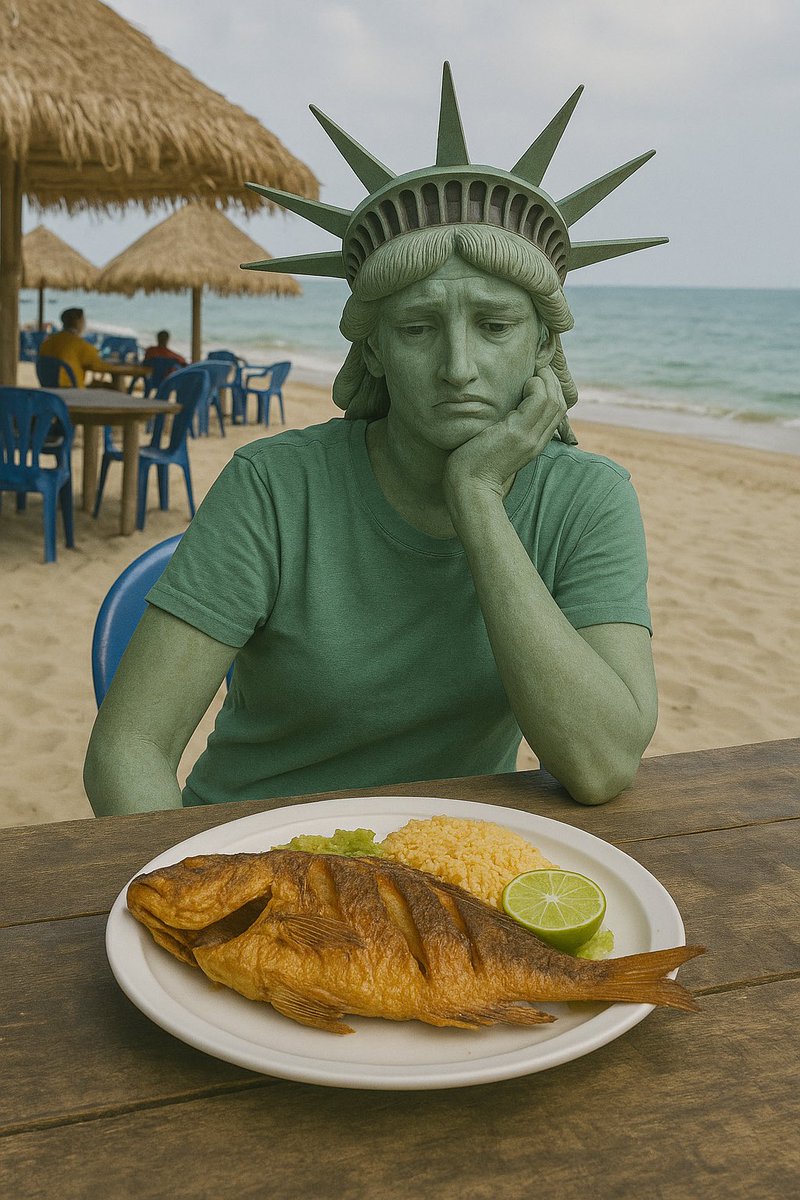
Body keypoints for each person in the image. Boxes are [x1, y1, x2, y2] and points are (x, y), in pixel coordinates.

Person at [84, 66, 664, 818]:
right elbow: (128, 748)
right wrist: (189, 890)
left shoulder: (588, 498)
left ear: (543, 348)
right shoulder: (275, 487)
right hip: (254, 855)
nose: (459, 367)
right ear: (376, 349)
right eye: (418, 328)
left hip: (445, 863)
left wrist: (478, 500)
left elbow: (602, 761)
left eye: (495, 326)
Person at [39, 307, 105, 386]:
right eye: (84, 320)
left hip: (49, 388)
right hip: (71, 387)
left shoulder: (48, 342)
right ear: (79, 322)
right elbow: (98, 364)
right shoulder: (78, 344)